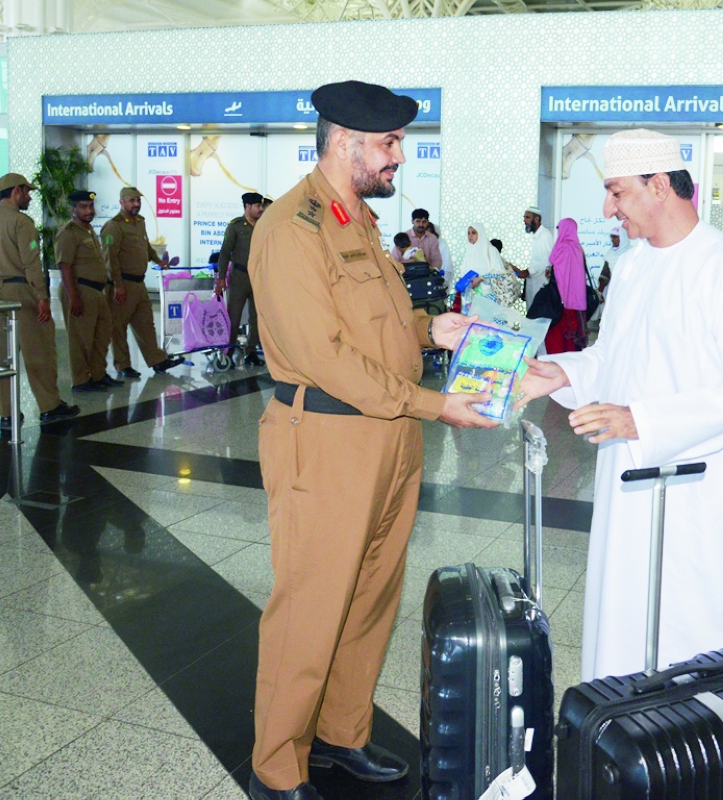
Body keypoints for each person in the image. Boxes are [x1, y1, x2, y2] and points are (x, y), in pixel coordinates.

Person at [247, 80, 497, 800]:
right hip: (325, 437)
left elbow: (379, 328)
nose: (399, 157)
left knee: (367, 600)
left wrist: (431, 330)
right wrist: (433, 404)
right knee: (312, 605)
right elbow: (324, 355)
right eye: (388, 144)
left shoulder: (353, 219)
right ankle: (276, 766)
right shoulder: (293, 228)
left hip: (386, 437)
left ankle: (338, 736)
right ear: (345, 142)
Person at [516, 129, 723, 683]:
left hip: (701, 490)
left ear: (659, 186)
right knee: (628, 621)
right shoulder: (632, 267)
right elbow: (614, 357)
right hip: (630, 477)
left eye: (617, 192)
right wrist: (558, 373)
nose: (608, 209)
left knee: (695, 640)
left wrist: (644, 421)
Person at [0, 173, 80, 428]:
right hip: (20, 290)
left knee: (1, 354)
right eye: (27, 192)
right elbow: (31, 263)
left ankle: (6, 413)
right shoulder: (22, 222)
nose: (30, 197)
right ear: (16, 191)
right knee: (40, 350)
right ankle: (49, 405)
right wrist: (42, 298)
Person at [100, 187, 183, 379]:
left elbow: (146, 247)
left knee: (146, 323)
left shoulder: (139, 222)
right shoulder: (113, 226)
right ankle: (123, 365)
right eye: (132, 200)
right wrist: (118, 285)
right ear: (122, 202)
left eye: (138, 200)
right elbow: (110, 258)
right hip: (122, 285)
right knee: (118, 327)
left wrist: (158, 260)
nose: (136, 204)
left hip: (139, 284)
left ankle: (157, 360)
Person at [55, 190, 120, 393]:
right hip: (79, 289)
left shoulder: (88, 230)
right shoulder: (68, 232)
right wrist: (74, 297)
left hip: (96, 291)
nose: (89, 210)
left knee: (102, 334)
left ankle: (98, 374)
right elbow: (64, 266)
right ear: (73, 209)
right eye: (83, 207)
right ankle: (81, 380)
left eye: (90, 206)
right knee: (81, 338)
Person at [214, 191, 265, 367]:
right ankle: (227, 351)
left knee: (257, 317)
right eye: (257, 206)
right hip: (239, 278)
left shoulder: (263, 225)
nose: (261, 209)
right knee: (233, 317)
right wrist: (221, 278)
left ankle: (251, 351)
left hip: (258, 278)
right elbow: (224, 253)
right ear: (247, 206)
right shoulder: (235, 226)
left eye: (261, 205)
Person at [454, 223, 523, 313]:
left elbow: (500, 273)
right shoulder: (469, 252)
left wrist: (481, 278)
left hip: (488, 295)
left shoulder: (491, 250)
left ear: (480, 233)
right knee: (473, 325)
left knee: (488, 325)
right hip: (471, 298)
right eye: (468, 233)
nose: (470, 235)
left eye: (473, 233)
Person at [543, 217, 588, 354]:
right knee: (571, 345)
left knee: (556, 342)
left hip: (559, 304)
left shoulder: (561, 248)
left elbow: (553, 265)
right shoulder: (578, 249)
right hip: (576, 306)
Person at [512, 206, 555, 309]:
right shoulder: (537, 236)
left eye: (527, 217)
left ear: (536, 219)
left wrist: (528, 271)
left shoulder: (545, 235)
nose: (524, 220)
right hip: (533, 284)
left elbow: (547, 262)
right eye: (524, 217)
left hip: (541, 285)